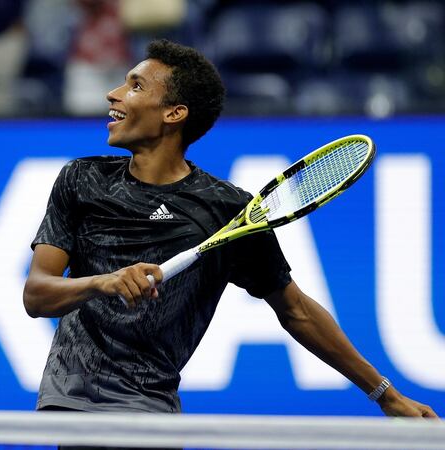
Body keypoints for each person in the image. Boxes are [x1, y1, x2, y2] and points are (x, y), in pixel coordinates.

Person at [23, 39, 437, 418]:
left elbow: (296, 310)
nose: (113, 94)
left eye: (135, 86)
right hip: (71, 399)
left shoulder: (224, 209)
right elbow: (37, 294)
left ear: (174, 113)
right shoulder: (82, 180)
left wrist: (386, 394)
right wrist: (103, 283)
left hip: (149, 408)